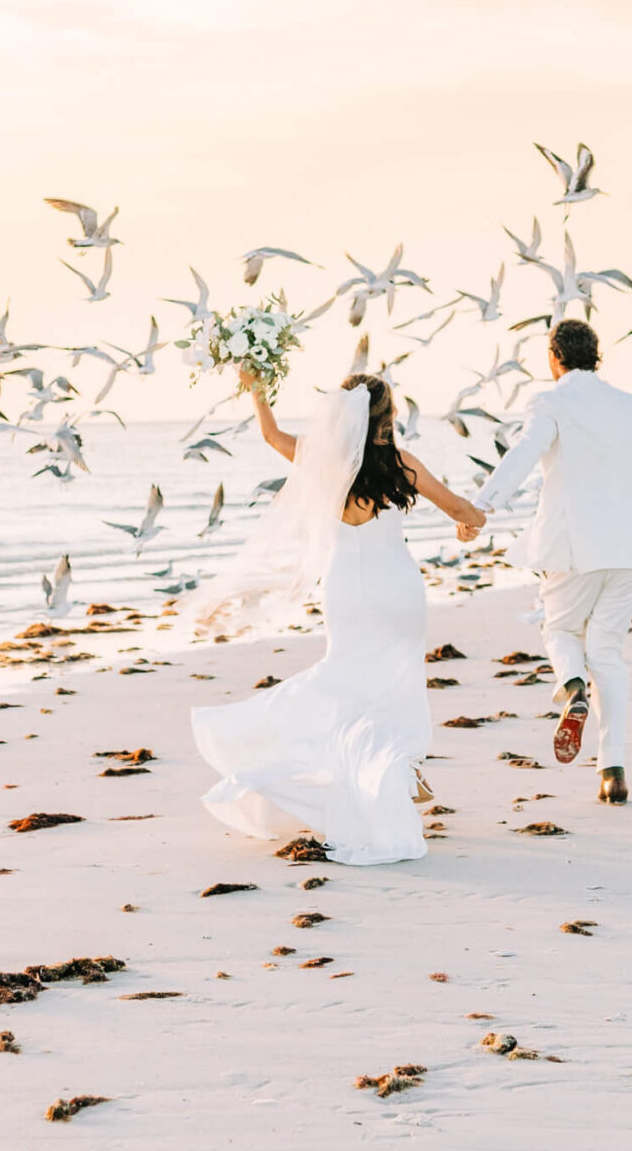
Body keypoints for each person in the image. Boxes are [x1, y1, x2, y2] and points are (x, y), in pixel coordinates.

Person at [189, 370, 485, 868]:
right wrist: (470, 521)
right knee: (398, 681)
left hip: (346, 589)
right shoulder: (402, 465)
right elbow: (460, 508)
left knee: (345, 677)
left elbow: (270, 435)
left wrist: (256, 388)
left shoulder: (324, 465)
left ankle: (387, 774)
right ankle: (399, 773)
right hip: (398, 589)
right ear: (388, 418)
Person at [471, 318, 632, 804]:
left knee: (560, 630)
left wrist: (481, 506)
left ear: (554, 359)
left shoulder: (550, 401)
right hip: (631, 548)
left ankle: (572, 687)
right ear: (597, 356)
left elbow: (524, 453)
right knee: (608, 652)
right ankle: (612, 771)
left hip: (574, 547)